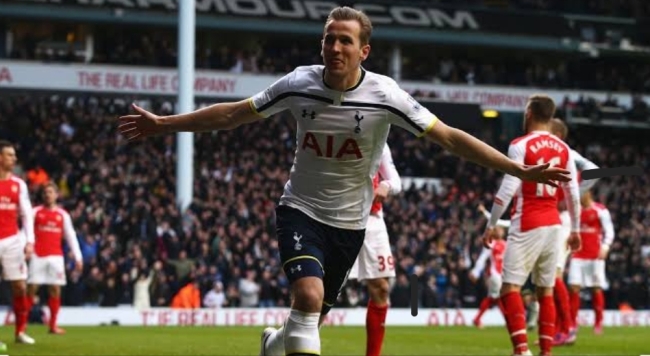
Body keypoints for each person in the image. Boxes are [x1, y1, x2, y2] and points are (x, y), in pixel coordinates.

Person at [118, 8, 572, 356]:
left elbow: (450, 139)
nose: (334, 48)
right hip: (301, 210)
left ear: (363, 51)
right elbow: (233, 113)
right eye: (328, 39)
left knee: (307, 321)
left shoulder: (386, 95)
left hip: (351, 226)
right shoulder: (299, 84)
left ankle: (272, 344)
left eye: (345, 41)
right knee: (309, 296)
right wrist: (165, 124)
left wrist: (517, 170)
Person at [483, 95, 582, 356]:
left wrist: (492, 223)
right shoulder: (563, 149)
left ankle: (521, 350)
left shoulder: (520, 144)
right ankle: (546, 351)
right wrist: (576, 230)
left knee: (509, 289)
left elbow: (507, 188)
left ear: (529, 113)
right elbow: (572, 193)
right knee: (545, 290)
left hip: (527, 222)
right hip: (554, 226)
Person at [548, 118, 600, 345]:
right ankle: (561, 327)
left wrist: (573, 196)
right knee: (549, 276)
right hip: (551, 216)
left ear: (557, 133)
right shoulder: (550, 152)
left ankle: (568, 327)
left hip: (561, 218)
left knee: (554, 275)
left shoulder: (566, 151)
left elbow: (594, 171)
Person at [346, 142, 401, 356]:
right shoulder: (337, 131)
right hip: (339, 216)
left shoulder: (380, 143)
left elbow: (395, 180)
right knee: (322, 291)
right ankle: (296, 345)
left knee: (381, 288)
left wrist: (387, 185)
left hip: (373, 220)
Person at [26, 182, 83, 335]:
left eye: (51, 192)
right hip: (38, 255)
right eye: (45, 192)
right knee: (31, 289)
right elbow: (27, 230)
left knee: (55, 290)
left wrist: (78, 256)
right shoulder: (35, 212)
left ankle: (52, 326)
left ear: (56, 195)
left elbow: (71, 236)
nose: (48, 195)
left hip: (56, 256)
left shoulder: (62, 215)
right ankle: (22, 325)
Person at [0, 140, 36, 348]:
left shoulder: (19, 185)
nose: (14, 159)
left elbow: (26, 214)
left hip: (13, 240)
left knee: (20, 286)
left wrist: (29, 241)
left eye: (14, 155)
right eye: (10, 155)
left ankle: (20, 331)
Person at [568, 190, 614, 336]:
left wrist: (605, 247)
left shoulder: (600, 210)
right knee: (574, 288)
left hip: (595, 256)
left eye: (582, 192)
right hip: (578, 255)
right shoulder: (575, 211)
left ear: (588, 193)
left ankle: (598, 323)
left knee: (596, 289)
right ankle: (573, 323)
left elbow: (610, 231)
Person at [469, 204, 509, 328]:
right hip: (494, 275)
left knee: (494, 298)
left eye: (500, 229)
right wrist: (476, 272)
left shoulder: (506, 244)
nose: (499, 231)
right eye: (497, 229)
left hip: (502, 275)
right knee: (498, 298)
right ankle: (508, 321)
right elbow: (482, 259)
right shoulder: (491, 244)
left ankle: (477, 319)